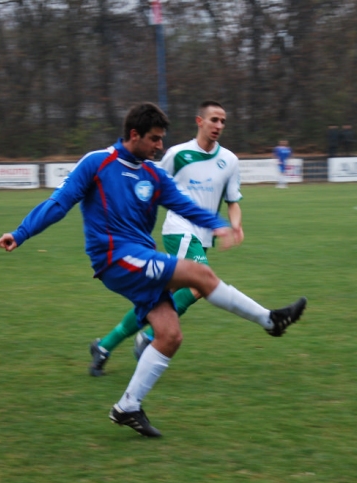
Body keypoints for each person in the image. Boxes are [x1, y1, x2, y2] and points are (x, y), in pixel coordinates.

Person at [0, 102, 307, 438]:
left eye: (161, 139)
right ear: (134, 134)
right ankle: (270, 321)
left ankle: (128, 406)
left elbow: (185, 206)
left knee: (170, 335)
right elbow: (59, 203)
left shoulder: (154, 174)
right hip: (113, 256)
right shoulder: (98, 163)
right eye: (155, 139)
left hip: (140, 255)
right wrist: (21, 233)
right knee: (200, 276)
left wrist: (218, 226)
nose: (160, 146)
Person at [89, 100, 245, 375]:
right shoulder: (177, 154)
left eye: (223, 121)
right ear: (200, 121)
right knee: (199, 285)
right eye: (214, 120)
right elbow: (152, 182)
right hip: (179, 228)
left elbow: (233, 200)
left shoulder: (230, 160)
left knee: (160, 297)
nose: (219, 126)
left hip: (204, 234)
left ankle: (104, 345)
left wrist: (235, 225)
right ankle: (150, 338)